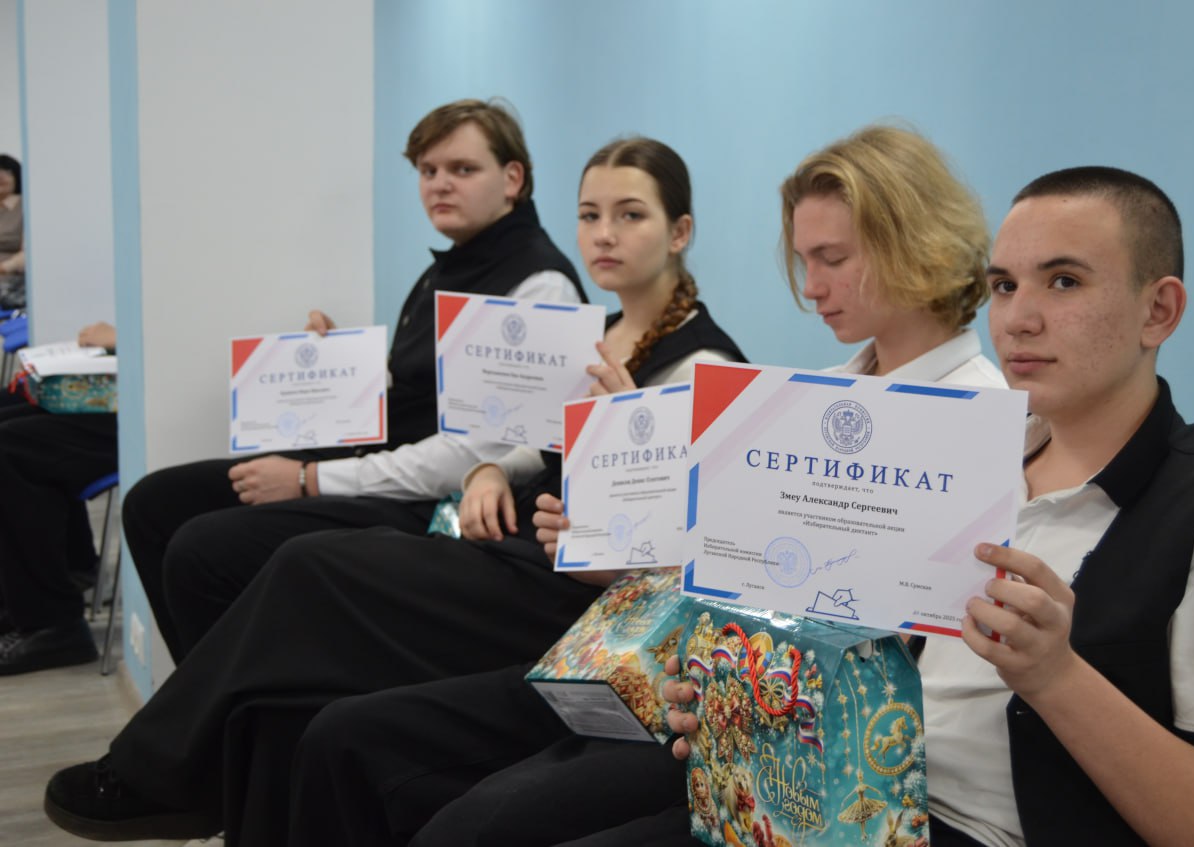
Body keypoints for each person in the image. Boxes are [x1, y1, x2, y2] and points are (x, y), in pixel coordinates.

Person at [288, 124, 1005, 847]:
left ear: (912, 243)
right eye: (803, 260)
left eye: (833, 259)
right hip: (705, 693)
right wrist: (621, 552)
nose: (812, 287)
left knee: (469, 817)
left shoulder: (982, 423)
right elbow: (744, 570)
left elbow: (916, 658)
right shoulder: (814, 393)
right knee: (373, 748)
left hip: (813, 750)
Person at [44, 136, 747, 847]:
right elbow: (528, 442)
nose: (604, 234)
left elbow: (682, 545)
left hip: (570, 600)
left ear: (679, 232)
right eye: (590, 215)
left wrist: (618, 453)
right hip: (507, 549)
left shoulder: (701, 364)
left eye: (630, 215)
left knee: (309, 566)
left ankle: (161, 773)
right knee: (286, 669)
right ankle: (198, 778)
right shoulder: (596, 335)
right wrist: (487, 472)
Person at [631, 167, 1194, 847]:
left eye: (1064, 282)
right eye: (1005, 286)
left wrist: (1057, 678)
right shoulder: (964, 456)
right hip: (840, 798)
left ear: (1159, 311)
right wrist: (738, 692)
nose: (1019, 320)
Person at [121, 98, 588, 660]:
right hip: (384, 464)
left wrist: (308, 480)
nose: (439, 185)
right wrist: (335, 365)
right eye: (428, 170)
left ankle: (229, 704)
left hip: (432, 504)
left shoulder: (541, 288)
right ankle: (212, 696)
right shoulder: (449, 266)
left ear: (512, 179)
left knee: (203, 548)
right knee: (154, 502)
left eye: (462, 169)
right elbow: (416, 389)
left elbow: (471, 456)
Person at [0, 321, 119, 674]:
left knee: (10, 451)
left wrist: (123, 339)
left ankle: (53, 626)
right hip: (126, 385)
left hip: (156, 403)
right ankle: (39, 587)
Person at [0, 154, 25, 308]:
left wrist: (4, 267)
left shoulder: (25, 207)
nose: (1, 176)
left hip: (10, 282)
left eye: (7, 171)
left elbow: (30, 253)